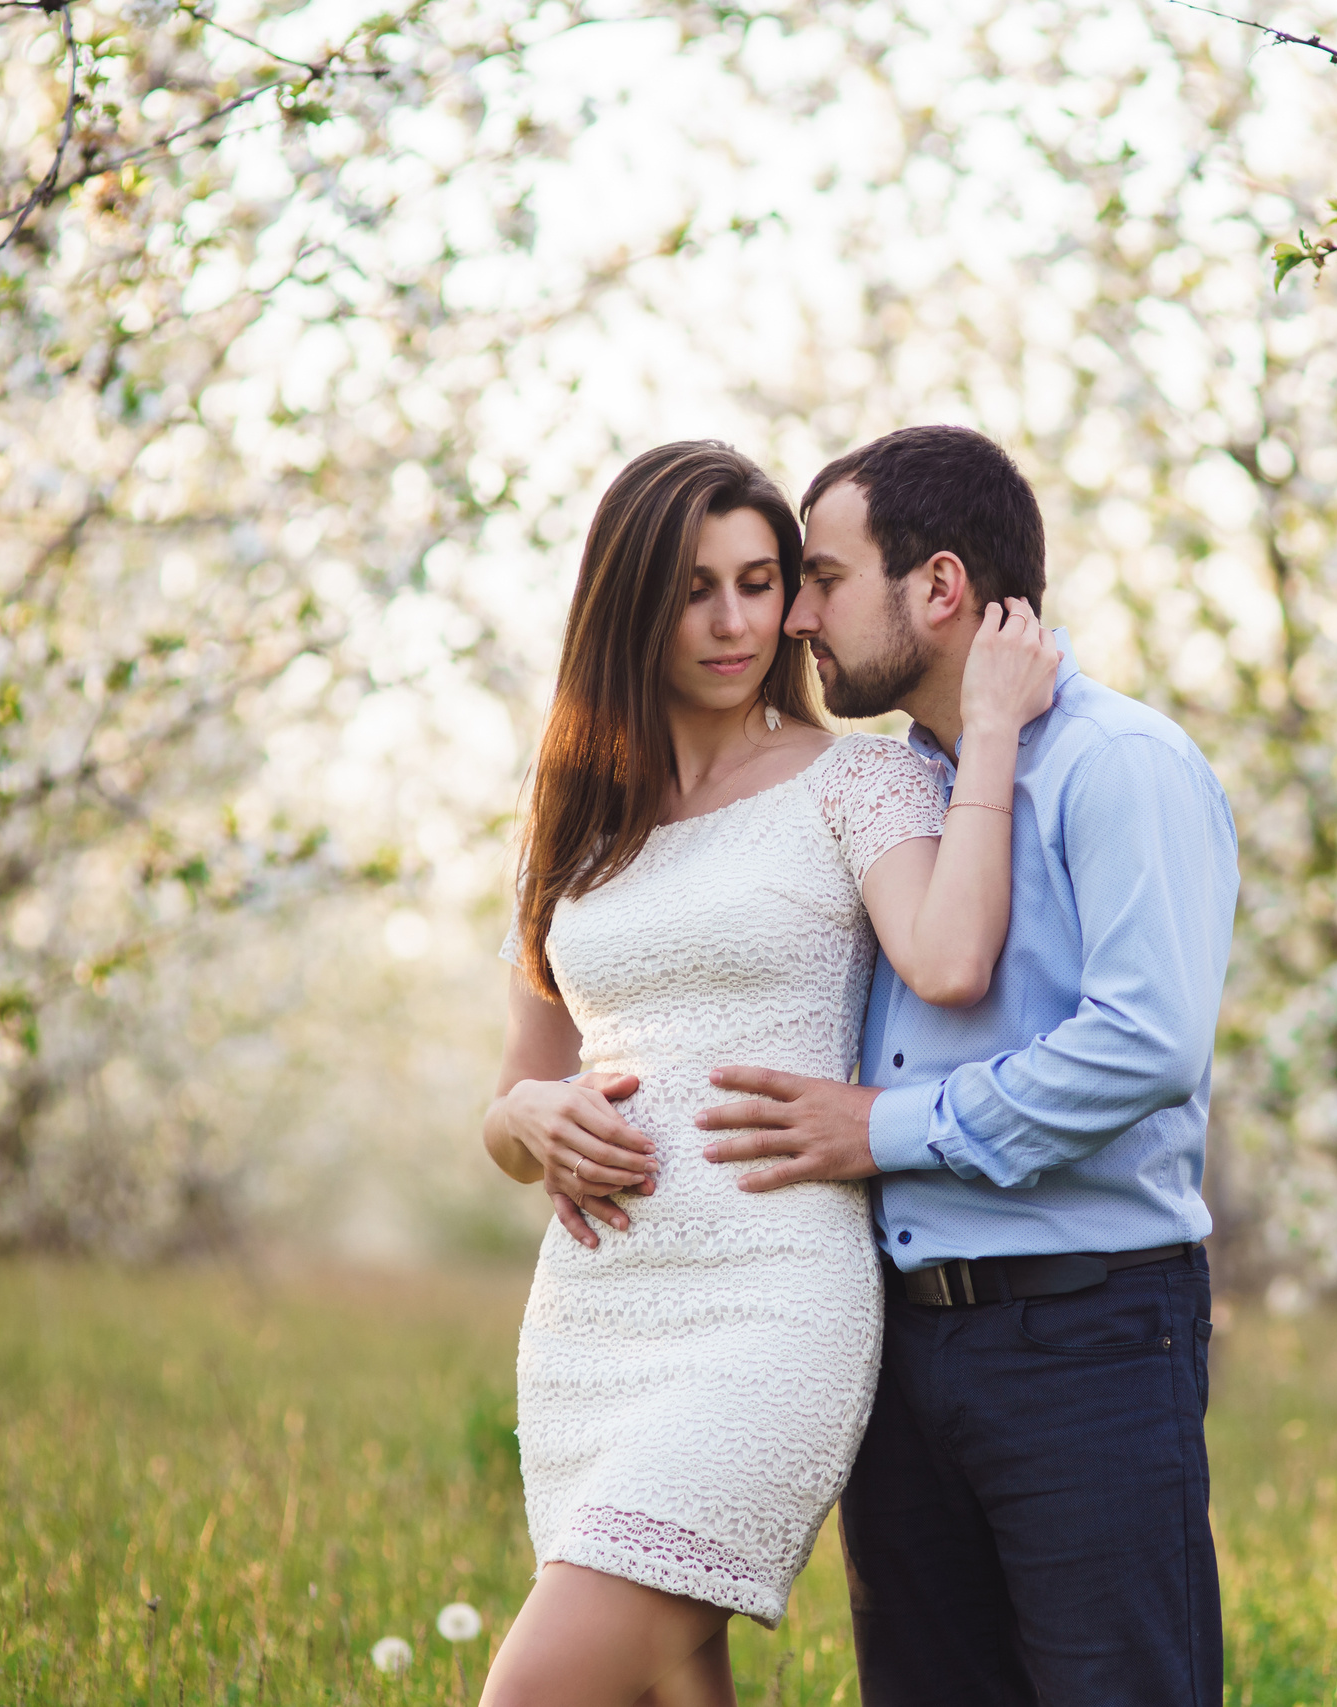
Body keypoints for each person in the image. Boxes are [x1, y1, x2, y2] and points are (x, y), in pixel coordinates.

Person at [477, 438, 1060, 1707]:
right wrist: (529, 1115)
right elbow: (515, 1100)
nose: (739, 621)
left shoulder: (855, 776)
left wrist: (997, 734)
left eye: (761, 580)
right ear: (630, 599)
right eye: (696, 588)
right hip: (596, 1316)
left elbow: (953, 955)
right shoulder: (577, 812)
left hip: (770, 1310)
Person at [689, 425, 1240, 1707]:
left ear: (938, 588)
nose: (793, 619)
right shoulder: (899, 795)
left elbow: (1144, 1046)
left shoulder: (1122, 766)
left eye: (820, 579)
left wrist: (880, 1130)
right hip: (897, 1349)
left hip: (1087, 1336)